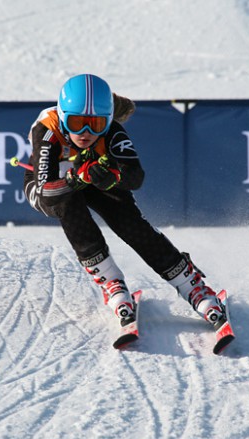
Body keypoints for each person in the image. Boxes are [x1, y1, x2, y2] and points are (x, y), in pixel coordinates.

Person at [23, 73, 226, 331]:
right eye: (76, 123)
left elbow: (136, 176)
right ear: (62, 117)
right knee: (67, 204)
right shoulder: (47, 129)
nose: (85, 133)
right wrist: (77, 178)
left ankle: (192, 286)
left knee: (129, 221)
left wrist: (114, 176)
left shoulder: (112, 132)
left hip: (93, 175)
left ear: (108, 121)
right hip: (51, 185)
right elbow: (45, 194)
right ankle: (111, 282)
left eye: (96, 124)